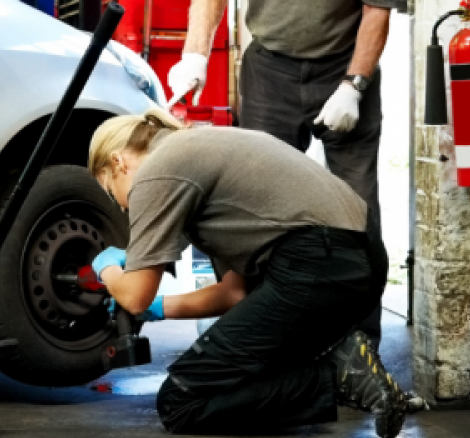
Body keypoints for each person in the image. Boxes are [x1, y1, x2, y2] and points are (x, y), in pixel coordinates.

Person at [87, 109, 406, 438]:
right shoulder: (199, 149)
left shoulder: (157, 171)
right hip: (359, 263)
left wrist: (106, 268)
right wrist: (160, 306)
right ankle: (340, 367)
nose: (123, 208)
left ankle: (339, 375)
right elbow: (233, 293)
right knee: (238, 372)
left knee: (179, 400)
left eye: (112, 192)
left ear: (119, 162)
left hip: (317, 266)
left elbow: (135, 296)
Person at [167, 0, 394, 350]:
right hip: (269, 72)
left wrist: (354, 84)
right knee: (248, 206)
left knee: (358, 210)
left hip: (344, 64)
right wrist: (195, 54)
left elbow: (377, 9)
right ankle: (259, 340)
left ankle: (360, 350)